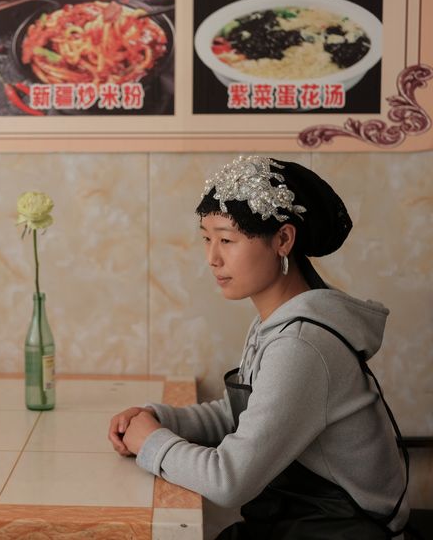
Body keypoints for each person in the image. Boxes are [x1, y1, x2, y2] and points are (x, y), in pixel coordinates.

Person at [108, 155, 410, 539]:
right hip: (300, 522)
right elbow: (247, 415)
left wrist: (151, 442)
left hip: (340, 531)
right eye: (206, 238)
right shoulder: (279, 323)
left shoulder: (302, 345)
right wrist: (160, 418)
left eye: (227, 240)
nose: (212, 258)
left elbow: (229, 480)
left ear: (283, 240)